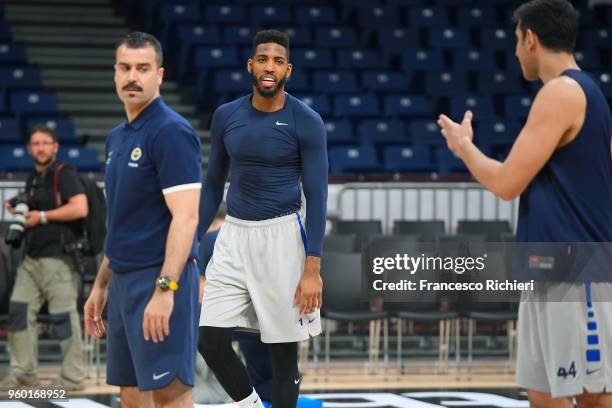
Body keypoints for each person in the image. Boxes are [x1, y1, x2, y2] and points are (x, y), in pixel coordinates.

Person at [436, 1, 612, 407]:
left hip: (576, 267)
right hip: (548, 264)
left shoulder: (563, 93)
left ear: (530, 39)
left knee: (593, 396)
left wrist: (464, 148)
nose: (515, 52)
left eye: (517, 41)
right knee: (543, 396)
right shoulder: (584, 93)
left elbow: (506, 183)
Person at [198, 29, 328, 408]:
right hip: (234, 236)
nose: (269, 67)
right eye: (262, 59)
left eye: (277, 61)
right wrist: (191, 242)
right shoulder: (226, 116)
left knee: (282, 352)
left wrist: (313, 268)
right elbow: (211, 184)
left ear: (288, 69)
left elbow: (318, 197)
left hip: (283, 238)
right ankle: (251, 405)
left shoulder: (306, 121)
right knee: (210, 339)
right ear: (250, 65)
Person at [83, 32, 201, 408]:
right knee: (132, 396)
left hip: (160, 280)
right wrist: (102, 284)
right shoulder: (117, 138)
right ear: (115, 73)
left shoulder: (171, 132)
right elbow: (122, 222)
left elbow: (186, 217)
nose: (132, 76)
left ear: (160, 75)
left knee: (171, 396)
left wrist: (166, 291)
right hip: (122, 283)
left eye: (143, 68)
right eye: (125, 67)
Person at [0, 124, 87, 390]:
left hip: (59, 259)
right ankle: (24, 373)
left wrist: (43, 216)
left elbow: (80, 207)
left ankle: (73, 378)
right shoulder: (33, 178)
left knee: (63, 318)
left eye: (45, 143)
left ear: (55, 147)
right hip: (31, 259)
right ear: (29, 149)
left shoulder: (65, 173)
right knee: (18, 312)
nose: (40, 148)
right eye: (35, 143)